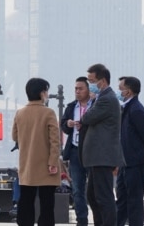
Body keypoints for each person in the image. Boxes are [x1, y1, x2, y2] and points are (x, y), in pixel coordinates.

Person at [12, 77, 61, 226]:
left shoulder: (20, 113)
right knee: (47, 203)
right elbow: (55, 141)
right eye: (46, 91)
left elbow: (15, 136)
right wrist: (53, 162)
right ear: (42, 93)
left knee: (26, 200)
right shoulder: (49, 113)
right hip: (46, 165)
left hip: (27, 164)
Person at [80, 63, 122, 226]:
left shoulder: (106, 99)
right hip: (97, 157)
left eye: (91, 81)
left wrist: (91, 104)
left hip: (102, 156)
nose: (89, 85)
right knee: (92, 195)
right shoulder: (102, 98)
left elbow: (87, 118)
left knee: (104, 196)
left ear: (102, 81)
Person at [115, 76, 144, 226]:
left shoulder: (136, 110)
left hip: (135, 162)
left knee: (134, 200)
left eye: (120, 89)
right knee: (122, 198)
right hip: (125, 162)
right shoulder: (126, 108)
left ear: (128, 91)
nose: (118, 92)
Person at [60, 77, 92, 226]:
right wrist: (68, 123)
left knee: (94, 189)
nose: (77, 91)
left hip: (92, 152)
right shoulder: (72, 107)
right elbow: (63, 125)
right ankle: (82, 220)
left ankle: (100, 219)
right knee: (77, 189)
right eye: (76, 89)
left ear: (88, 90)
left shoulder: (96, 105)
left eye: (81, 89)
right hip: (74, 150)